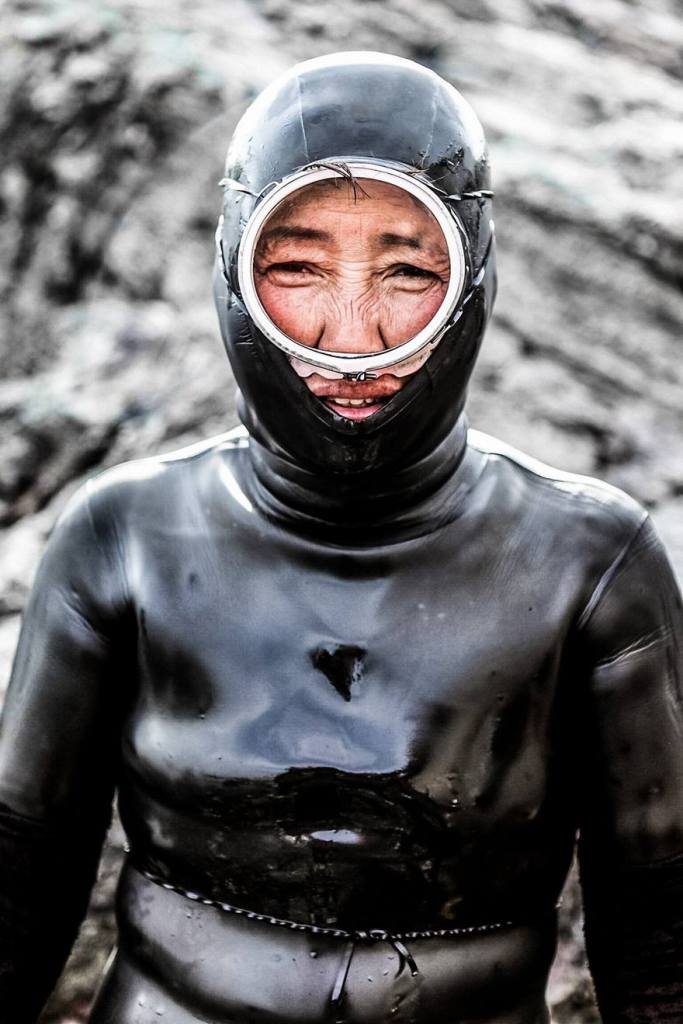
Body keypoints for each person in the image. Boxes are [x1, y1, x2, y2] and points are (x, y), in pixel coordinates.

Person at [0, 50, 681, 1024]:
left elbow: (661, 944)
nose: (351, 334)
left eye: (407, 269)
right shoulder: (122, 538)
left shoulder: (591, 566)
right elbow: (15, 891)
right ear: (233, 266)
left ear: (472, 274)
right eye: (296, 267)